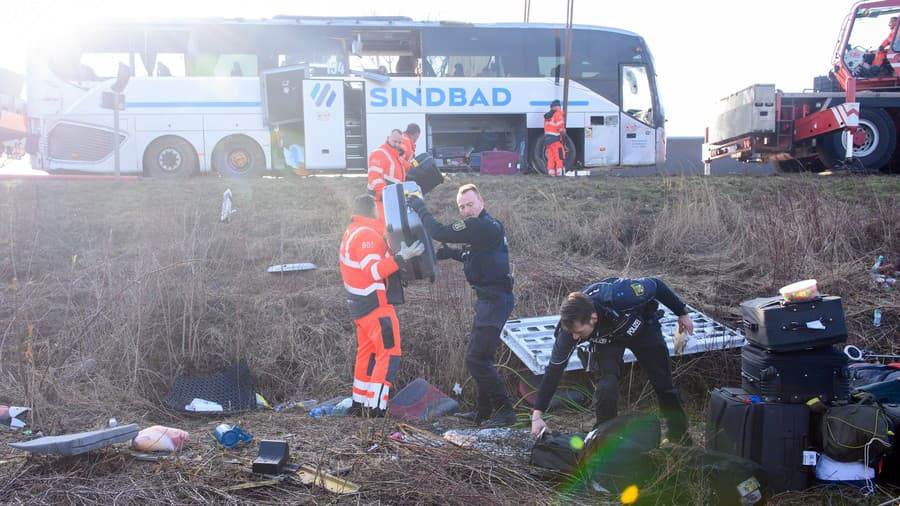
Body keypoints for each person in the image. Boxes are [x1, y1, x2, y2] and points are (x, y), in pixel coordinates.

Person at [529, 277, 695, 444]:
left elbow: (657, 285)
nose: (574, 337)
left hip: (642, 328)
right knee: (606, 385)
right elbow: (554, 370)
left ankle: (678, 435)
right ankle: (605, 439)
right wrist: (537, 416)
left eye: (579, 332)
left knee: (663, 383)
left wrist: (681, 312)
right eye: (571, 332)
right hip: (607, 340)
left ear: (593, 318)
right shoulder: (569, 332)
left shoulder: (624, 295)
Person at [406, 185, 516, 427]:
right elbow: (482, 256)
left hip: (495, 300)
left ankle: (505, 410)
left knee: (476, 359)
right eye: (462, 207)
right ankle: (484, 412)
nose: (466, 210)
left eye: (470, 204)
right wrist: (453, 254)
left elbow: (439, 231)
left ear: (481, 200)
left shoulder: (481, 225)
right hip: (491, 299)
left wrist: (419, 206)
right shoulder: (486, 227)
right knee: (482, 356)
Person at [339, 194, 425, 416]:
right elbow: (374, 271)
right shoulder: (366, 234)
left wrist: (394, 252)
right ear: (372, 210)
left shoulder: (353, 231)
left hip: (360, 307)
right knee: (388, 353)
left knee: (367, 354)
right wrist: (402, 257)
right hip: (376, 305)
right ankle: (375, 408)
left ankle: (359, 403)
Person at [367, 129, 406, 219]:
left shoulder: (396, 156)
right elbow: (374, 180)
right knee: (383, 230)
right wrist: (390, 197)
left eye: (399, 142)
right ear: (388, 138)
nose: (397, 144)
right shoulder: (380, 153)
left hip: (391, 202)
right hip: (381, 202)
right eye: (394, 141)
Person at [543, 99, 566, 176]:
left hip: (548, 140)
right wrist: (563, 131)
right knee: (559, 156)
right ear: (558, 107)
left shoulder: (548, 116)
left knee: (551, 157)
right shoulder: (558, 114)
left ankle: (551, 173)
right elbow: (560, 128)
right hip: (556, 139)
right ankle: (560, 173)